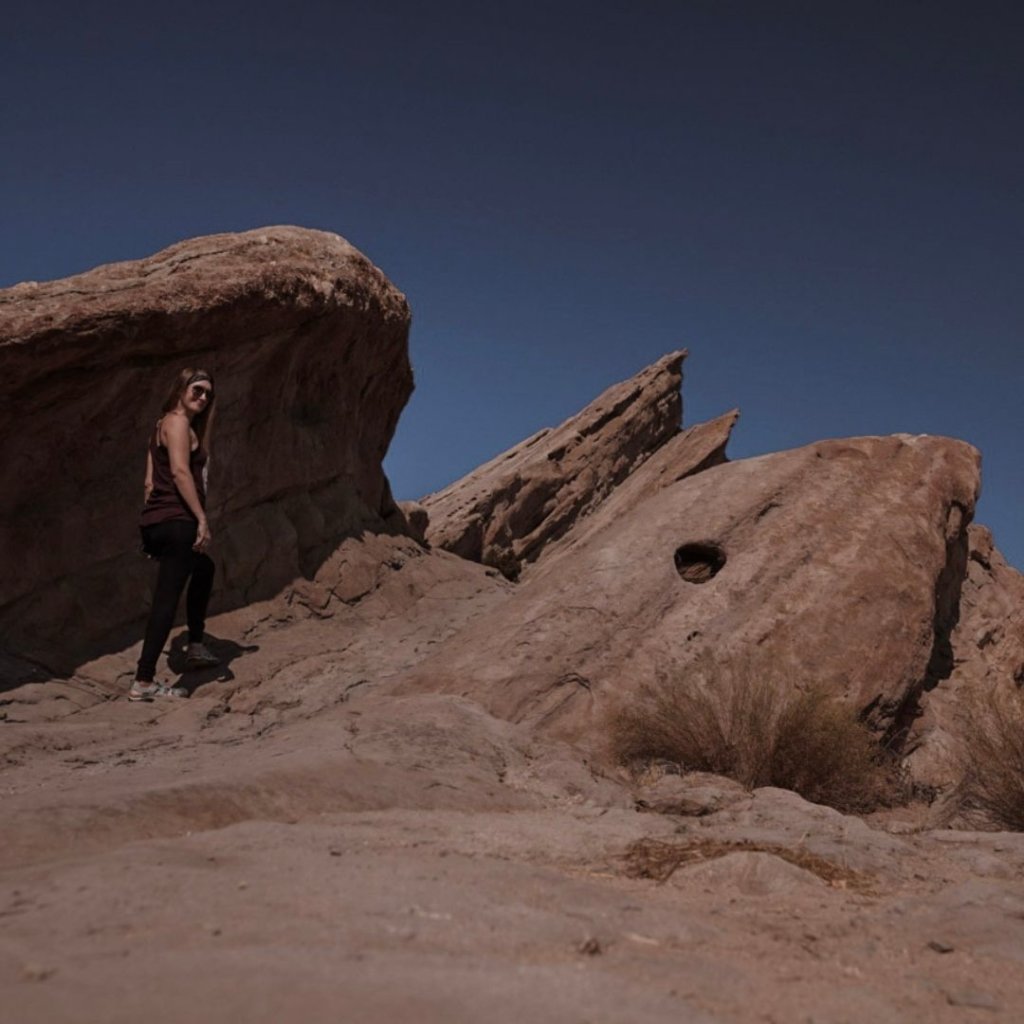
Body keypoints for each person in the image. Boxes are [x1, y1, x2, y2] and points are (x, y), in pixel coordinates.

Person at [129, 369, 221, 701]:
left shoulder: (160, 425)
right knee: (166, 601)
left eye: (208, 393)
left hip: (159, 521)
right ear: (180, 388)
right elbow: (181, 472)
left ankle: (195, 644)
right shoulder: (179, 423)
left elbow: (149, 483)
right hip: (178, 519)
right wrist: (200, 519)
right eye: (197, 390)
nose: (203, 397)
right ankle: (143, 680)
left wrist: (154, 525)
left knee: (204, 569)